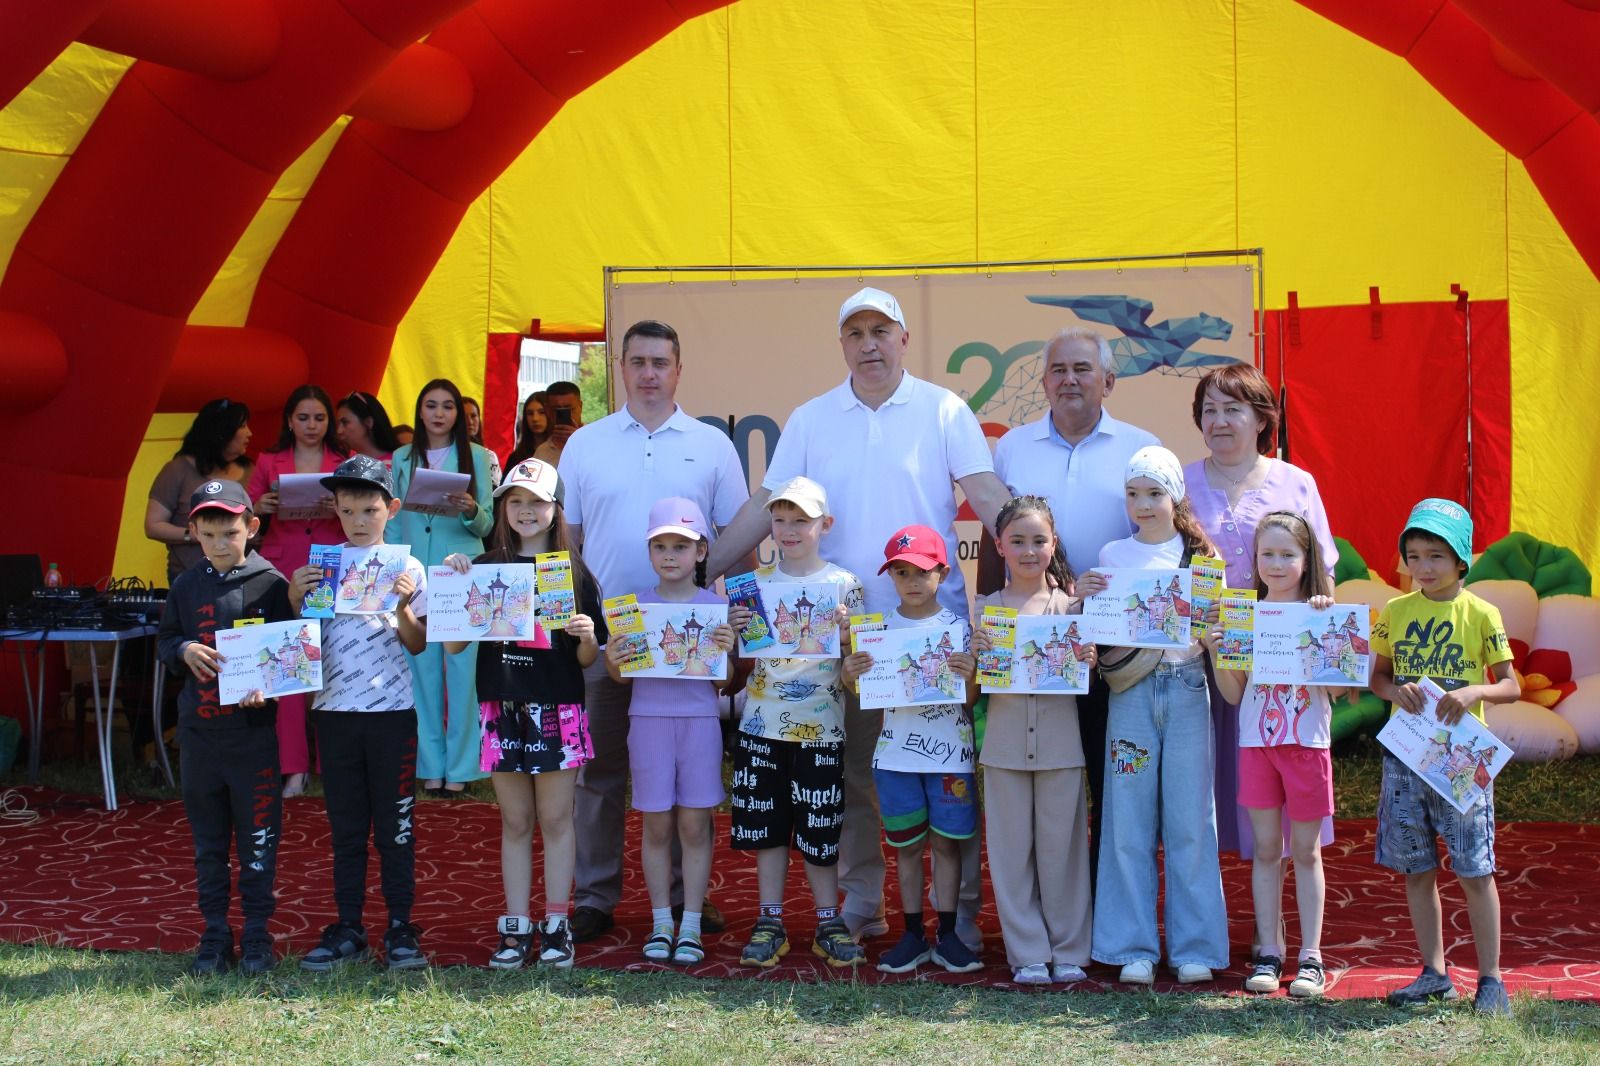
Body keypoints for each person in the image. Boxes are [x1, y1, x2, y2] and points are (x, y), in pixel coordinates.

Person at [709, 286, 1010, 947]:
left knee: (949, 770)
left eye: (881, 330)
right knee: (859, 775)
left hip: (932, 629)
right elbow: (766, 504)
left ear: (904, 338)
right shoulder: (812, 418)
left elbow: (987, 496)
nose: (869, 343)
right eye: (855, 333)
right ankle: (864, 904)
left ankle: (957, 914)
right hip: (843, 634)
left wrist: (1047, 560)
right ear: (841, 344)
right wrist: (708, 568)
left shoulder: (944, 409)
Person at [558, 320, 749, 943]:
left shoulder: (711, 445)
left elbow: (738, 542)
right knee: (601, 771)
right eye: (636, 361)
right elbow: (572, 540)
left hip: (692, 641)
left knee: (690, 782)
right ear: (620, 367)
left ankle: (684, 903)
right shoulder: (586, 444)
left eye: (659, 362)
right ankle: (594, 895)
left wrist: (738, 630)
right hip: (614, 635)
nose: (647, 373)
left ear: (678, 369)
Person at [988, 326, 1160, 889]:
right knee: (1051, 778)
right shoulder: (1012, 446)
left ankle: (1108, 910)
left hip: (1116, 644)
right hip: (1039, 638)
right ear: (1043, 381)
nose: (1070, 380)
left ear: (1109, 380)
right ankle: (1054, 905)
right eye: (1058, 370)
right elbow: (1000, 542)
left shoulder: (1141, 446)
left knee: (1114, 779)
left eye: (1082, 369)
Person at [441, 459, 602, 970]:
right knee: (515, 821)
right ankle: (516, 926)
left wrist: (586, 637)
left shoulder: (573, 571)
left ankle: (557, 925)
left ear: (555, 510)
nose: (526, 511)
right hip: (501, 704)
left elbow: (586, 660)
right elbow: (455, 647)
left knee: (556, 819)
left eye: (537, 502)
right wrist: (457, 583)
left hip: (558, 706)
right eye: (516, 501)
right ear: (503, 507)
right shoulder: (484, 565)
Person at [1083, 447, 1228, 985]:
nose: (1143, 505)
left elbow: (1219, 626)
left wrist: (1213, 625)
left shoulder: (1201, 559)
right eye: (1133, 494)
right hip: (1131, 694)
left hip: (1189, 687)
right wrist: (1084, 597)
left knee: (1191, 817)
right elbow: (1098, 630)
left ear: (1175, 497)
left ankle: (1194, 947)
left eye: (1154, 493)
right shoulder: (1112, 555)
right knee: (1127, 818)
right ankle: (1131, 946)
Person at [1369, 498, 1519, 1015]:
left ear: (1461, 560)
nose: (1423, 568)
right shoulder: (1395, 611)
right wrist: (1395, 693)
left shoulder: (1481, 612)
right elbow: (1377, 677)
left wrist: (1475, 693)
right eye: (1413, 556)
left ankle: (1491, 979)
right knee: (1416, 867)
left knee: (1475, 868)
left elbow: (1511, 685)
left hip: (1461, 761)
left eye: (1435, 556)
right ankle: (1433, 972)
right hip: (1406, 756)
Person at [1182, 363, 1337, 859]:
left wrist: (1325, 652)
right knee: (1205, 793)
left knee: (1279, 801)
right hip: (1203, 662)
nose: (1219, 421)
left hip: (1280, 670)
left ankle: (1271, 923)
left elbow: (1322, 572)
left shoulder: (1297, 483)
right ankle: (1210, 922)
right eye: (1209, 411)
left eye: (1233, 409)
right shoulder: (1179, 484)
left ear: (1262, 418)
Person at [291, 455, 430, 972]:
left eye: (369, 509)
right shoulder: (321, 566)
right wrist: (293, 597)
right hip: (334, 713)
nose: (358, 520)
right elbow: (300, 647)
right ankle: (349, 925)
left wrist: (402, 610)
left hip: (392, 714)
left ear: (390, 509)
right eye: (347, 510)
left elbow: (418, 646)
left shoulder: (408, 568)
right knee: (346, 827)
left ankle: (400, 926)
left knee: (396, 825)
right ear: (336, 510)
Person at [155, 478, 299, 975]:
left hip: (253, 739)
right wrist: (182, 649)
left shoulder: (272, 584)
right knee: (209, 843)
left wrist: (271, 684)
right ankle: (215, 933)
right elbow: (166, 637)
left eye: (231, 532)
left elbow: (295, 655)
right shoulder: (185, 585)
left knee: (258, 838)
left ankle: (258, 934)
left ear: (251, 528)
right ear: (193, 531)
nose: (220, 543)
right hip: (199, 738)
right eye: (210, 533)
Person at [727, 477, 866, 970]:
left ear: (824, 525)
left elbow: (858, 671)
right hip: (760, 728)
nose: (788, 529)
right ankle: (770, 919)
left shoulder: (846, 586)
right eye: (780, 518)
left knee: (820, 827)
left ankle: (829, 920)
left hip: (822, 729)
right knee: (767, 828)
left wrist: (852, 642)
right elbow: (737, 669)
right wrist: (731, 638)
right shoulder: (752, 585)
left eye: (801, 520)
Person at [1201, 511, 1340, 998]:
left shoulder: (1321, 612)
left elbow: (1337, 690)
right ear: (1255, 561)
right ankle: (1268, 952)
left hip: (1305, 745)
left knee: (1305, 851)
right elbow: (1234, 694)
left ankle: (1311, 958)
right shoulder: (1243, 615)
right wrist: (1218, 651)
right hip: (1256, 745)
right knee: (1265, 851)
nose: (1276, 564)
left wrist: (1326, 633)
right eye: (1267, 555)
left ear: (1307, 561)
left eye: (1287, 555)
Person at [841, 525, 980, 975]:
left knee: (946, 845)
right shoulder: (878, 631)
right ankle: (912, 933)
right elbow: (858, 690)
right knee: (905, 847)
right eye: (901, 572)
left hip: (949, 757)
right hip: (896, 756)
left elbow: (972, 699)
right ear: (891, 578)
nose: (912, 581)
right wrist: (850, 671)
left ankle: (950, 933)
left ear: (942, 572)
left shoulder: (958, 628)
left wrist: (969, 674)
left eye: (921, 571)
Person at [604, 497, 737, 966]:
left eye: (680, 546)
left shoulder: (717, 607)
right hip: (649, 723)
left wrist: (727, 650)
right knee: (656, 823)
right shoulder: (634, 608)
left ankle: (693, 924)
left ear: (700, 552)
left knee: (695, 824)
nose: (669, 555)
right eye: (660, 545)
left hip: (700, 724)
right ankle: (662, 921)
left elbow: (722, 683)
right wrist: (614, 658)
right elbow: (622, 677)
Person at [970, 496, 1093, 985]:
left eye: (1038, 541)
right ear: (999, 546)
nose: (1028, 551)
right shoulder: (986, 612)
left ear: (1054, 544)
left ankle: (1068, 948)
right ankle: (1027, 952)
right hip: (1002, 749)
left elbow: (1091, 677)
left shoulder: (1072, 609)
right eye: (1017, 541)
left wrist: (1088, 658)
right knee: (1010, 850)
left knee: (1062, 850)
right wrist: (975, 659)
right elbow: (970, 693)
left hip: (1062, 748)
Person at [390, 379, 497, 793]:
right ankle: (430, 766)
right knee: (422, 672)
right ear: (419, 411)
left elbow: (488, 523)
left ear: (459, 413)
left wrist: (472, 510)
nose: (438, 413)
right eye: (431, 405)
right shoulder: (400, 457)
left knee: (463, 673)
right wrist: (396, 565)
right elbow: (395, 518)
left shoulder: (480, 457)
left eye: (447, 406)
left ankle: (465, 769)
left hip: (461, 570)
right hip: (415, 571)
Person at [246, 385, 346, 797]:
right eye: (303, 418)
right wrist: (261, 509)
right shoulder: (268, 461)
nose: (311, 425)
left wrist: (338, 507)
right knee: (288, 666)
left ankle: (331, 763)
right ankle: (293, 767)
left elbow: (364, 515)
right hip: (282, 566)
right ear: (289, 421)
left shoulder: (343, 462)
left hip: (330, 565)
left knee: (331, 663)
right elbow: (244, 514)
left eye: (319, 418)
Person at [146, 398, 254, 584]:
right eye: (242, 426)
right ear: (221, 432)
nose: (249, 433)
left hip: (242, 577)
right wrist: (197, 535)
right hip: (190, 578)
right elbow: (153, 526)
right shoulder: (178, 470)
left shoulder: (251, 470)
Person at [335, 390, 402, 460]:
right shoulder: (344, 464)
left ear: (368, 422)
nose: (339, 431)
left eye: (345, 422)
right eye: (338, 424)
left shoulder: (399, 464)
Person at [532, 380, 583, 465]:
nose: (566, 415)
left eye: (569, 409)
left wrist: (580, 441)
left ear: (580, 406)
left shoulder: (597, 441)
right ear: (547, 410)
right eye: (557, 410)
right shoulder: (542, 453)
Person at [504, 391, 550, 468]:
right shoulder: (516, 458)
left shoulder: (562, 453)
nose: (535, 418)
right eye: (530, 413)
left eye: (542, 412)